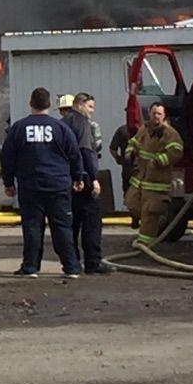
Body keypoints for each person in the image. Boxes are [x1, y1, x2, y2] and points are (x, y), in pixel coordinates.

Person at [0, 87, 86, 278]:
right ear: (49, 105)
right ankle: (71, 267)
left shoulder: (19, 128)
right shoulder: (61, 128)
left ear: (31, 103)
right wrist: (78, 177)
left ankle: (31, 267)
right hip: (58, 185)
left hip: (30, 186)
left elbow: (7, 157)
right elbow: (74, 154)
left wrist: (8, 182)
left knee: (32, 227)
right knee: (62, 227)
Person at [62, 92, 111, 274]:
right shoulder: (82, 123)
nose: (91, 112)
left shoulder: (62, 123)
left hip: (66, 180)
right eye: (90, 107)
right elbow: (86, 151)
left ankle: (72, 264)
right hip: (83, 180)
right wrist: (94, 178)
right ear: (80, 105)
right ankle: (93, 263)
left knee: (71, 224)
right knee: (91, 222)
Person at [126, 100, 184, 242]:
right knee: (131, 203)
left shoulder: (170, 133)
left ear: (164, 116)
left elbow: (176, 151)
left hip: (156, 183)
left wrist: (159, 161)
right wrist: (129, 153)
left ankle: (145, 244)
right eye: (154, 113)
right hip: (140, 179)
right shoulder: (144, 129)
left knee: (150, 213)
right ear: (149, 114)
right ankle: (155, 225)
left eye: (159, 114)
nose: (156, 116)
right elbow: (133, 142)